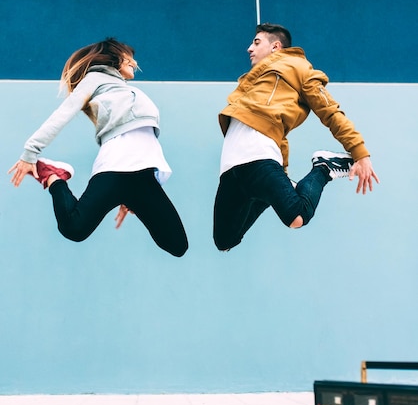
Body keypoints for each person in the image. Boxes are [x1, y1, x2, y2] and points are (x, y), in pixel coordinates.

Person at [8, 38, 188, 257]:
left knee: (177, 245)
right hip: (115, 168)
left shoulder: (123, 89)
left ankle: (126, 194)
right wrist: (30, 153)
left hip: (144, 176)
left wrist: (130, 198)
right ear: (114, 56)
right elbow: (63, 114)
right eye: (128, 56)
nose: (134, 61)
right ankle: (54, 177)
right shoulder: (96, 78)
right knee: (74, 228)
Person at [213, 23, 379, 251]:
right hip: (231, 166)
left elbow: (330, 110)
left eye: (256, 42)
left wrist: (360, 152)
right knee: (225, 241)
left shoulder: (299, 67)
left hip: (258, 156)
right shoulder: (253, 80)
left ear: (276, 46)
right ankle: (277, 188)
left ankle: (323, 168)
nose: (249, 48)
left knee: (297, 217)